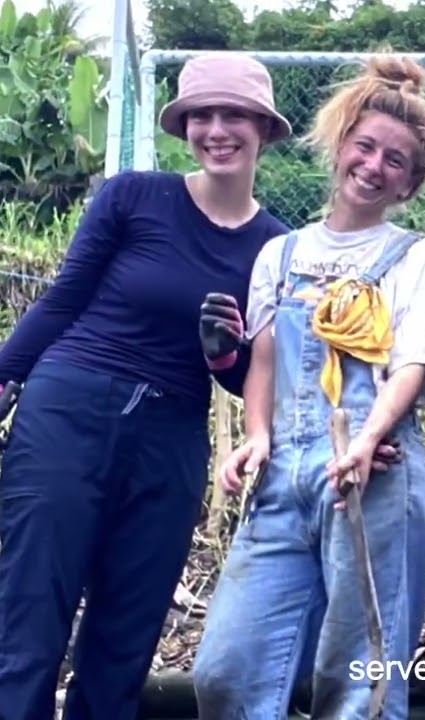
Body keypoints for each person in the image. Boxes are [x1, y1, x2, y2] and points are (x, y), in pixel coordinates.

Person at [0, 53, 298, 720]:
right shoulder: (133, 196)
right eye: (201, 115)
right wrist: (3, 374)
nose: (216, 130)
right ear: (184, 127)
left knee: (124, 640)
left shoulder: (278, 247)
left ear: (264, 129)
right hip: (68, 409)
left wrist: (223, 354)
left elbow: (250, 378)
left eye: (234, 115)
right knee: (30, 620)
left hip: (170, 436)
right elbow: (62, 301)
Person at [187, 53, 425, 718]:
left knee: (360, 684)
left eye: (395, 160)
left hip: (375, 477)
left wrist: (366, 439)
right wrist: (256, 436)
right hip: (283, 479)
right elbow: (265, 357)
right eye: (365, 146)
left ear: (410, 183)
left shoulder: (416, 258)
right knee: (227, 672)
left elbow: (413, 365)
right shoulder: (281, 254)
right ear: (339, 145)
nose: (374, 166)